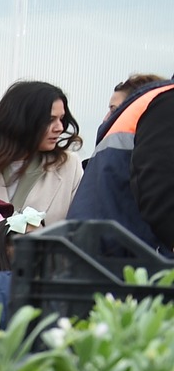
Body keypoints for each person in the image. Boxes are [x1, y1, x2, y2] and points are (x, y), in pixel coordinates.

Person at [0, 80, 83, 226]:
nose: (60, 128)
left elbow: (81, 233)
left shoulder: (69, 166)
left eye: (61, 119)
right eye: (50, 120)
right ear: (20, 120)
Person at [68, 77, 174, 254]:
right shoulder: (167, 103)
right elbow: (158, 187)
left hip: (110, 248)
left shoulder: (157, 101)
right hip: (126, 256)